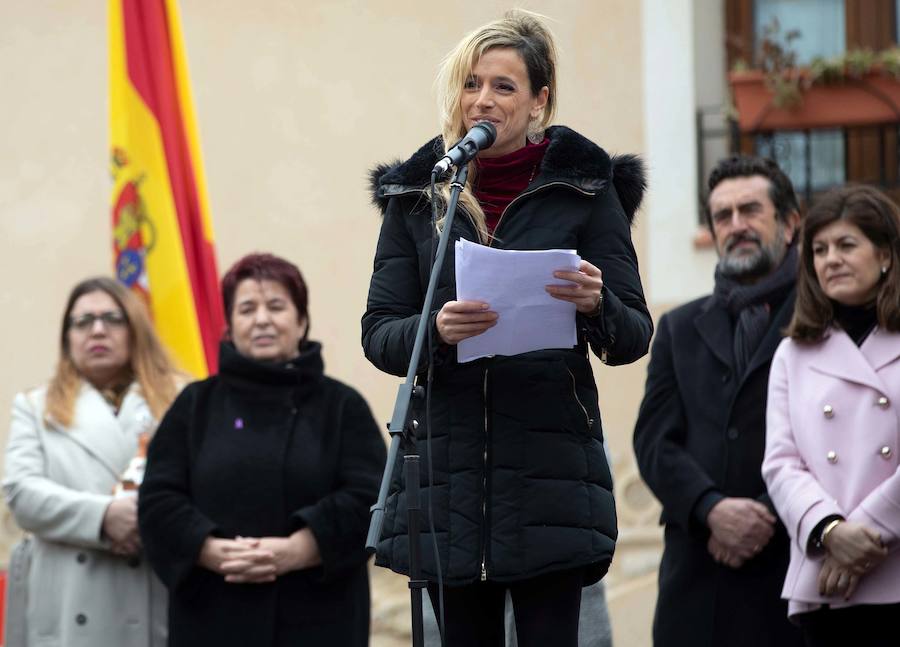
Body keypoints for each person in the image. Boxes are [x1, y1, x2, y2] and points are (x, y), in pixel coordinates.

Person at [363, 10, 652, 647]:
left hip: (550, 477)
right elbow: (379, 332)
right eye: (471, 84)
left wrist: (595, 303)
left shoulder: (585, 190)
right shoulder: (418, 196)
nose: (482, 101)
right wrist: (435, 330)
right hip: (446, 481)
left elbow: (633, 335)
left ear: (539, 101)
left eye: (503, 86)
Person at [138, 253, 386, 647]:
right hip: (211, 615)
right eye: (246, 309)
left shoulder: (341, 406)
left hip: (319, 617)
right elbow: (157, 499)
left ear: (301, 321)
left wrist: (299, 549)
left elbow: (372, 497)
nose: (262, 320)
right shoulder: (195, 404)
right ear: (230, 325)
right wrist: (207, 549)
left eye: (276, 306)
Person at [632, 155, 805, 647]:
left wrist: (764, 516)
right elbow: (653, 441)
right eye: (723, 216)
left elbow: (843, 438)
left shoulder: (826, 321)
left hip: (795, 578)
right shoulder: (679, 328)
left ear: (790, 224)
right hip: (699, 587)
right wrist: (710, 508)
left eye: (751, 210)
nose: (736, 225)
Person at [3, 276, 180, 647]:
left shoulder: (181, 399)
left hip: (152, 592)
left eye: (112, 318)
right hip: (69, 603)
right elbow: (22, 493)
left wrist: (144, 520)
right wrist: (103, 518)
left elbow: (203, 488)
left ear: (135, 329)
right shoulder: (36, 407)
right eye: (82, 321)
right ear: (67, 338)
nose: (97, 330)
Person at [762, 184, 900, 647]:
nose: (830, 260)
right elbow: (781, 463)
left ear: (884, 255)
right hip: (827, 582)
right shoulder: (792, 353)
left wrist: (864, 539)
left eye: (846, 245)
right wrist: (829, 529)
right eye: (819, 250)